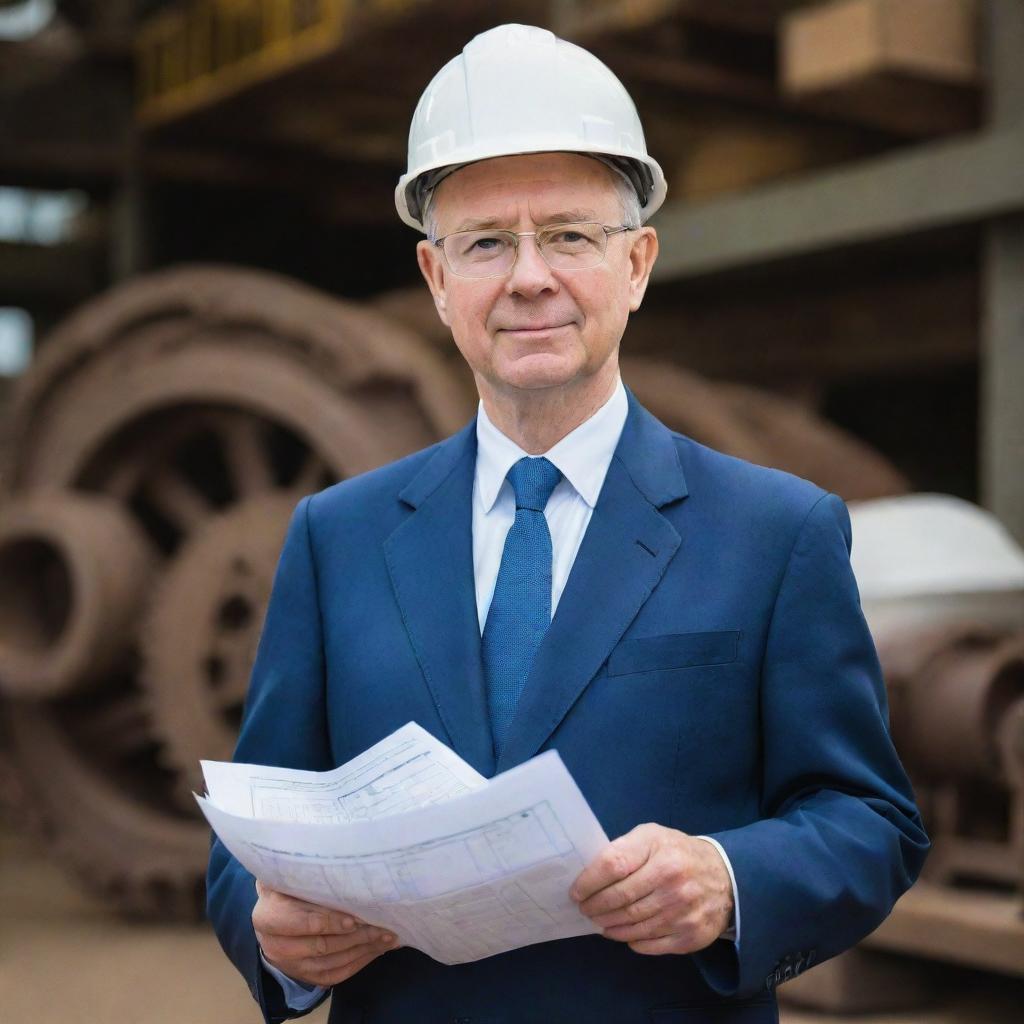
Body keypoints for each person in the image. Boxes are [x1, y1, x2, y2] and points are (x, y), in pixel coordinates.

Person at [207, 24, 928, 1024]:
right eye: (487, 243)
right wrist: (271, 932)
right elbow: (248, 838)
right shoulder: (337, 538)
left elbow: (870, 821)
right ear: (435, 280)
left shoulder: (776, 532)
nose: (529, 276)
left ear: (635, 264)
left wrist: (727, 876)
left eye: (570, 235)